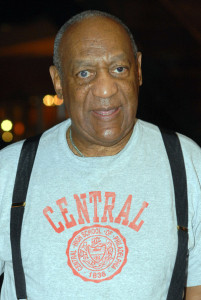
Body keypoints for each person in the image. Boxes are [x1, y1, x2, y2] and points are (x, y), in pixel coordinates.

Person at [0, 10, 201, 300]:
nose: (106, 89)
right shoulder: (10, 172)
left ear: (139, 69)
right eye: (85, 73)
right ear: (58, 81)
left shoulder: (186, 162)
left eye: (119, 68)